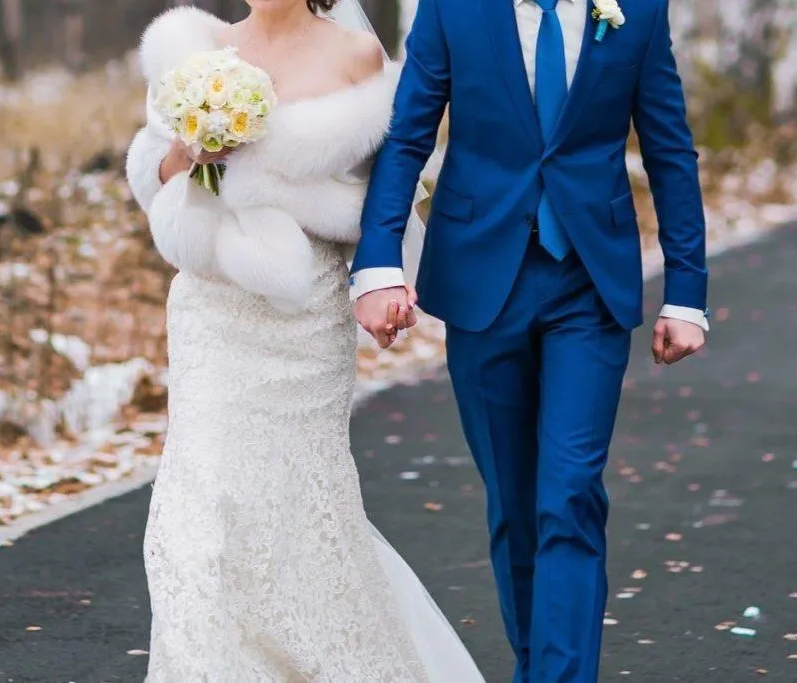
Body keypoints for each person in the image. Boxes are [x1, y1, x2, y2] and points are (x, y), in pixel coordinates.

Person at [125, 2, 484, 681]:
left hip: (303, 316)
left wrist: (382, 281)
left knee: (297, 507)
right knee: (195, 515)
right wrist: (194, 149)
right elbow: (158, 178)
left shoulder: (358, 57)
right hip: (212, 309)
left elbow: (388, 191)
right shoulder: (196, 49)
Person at [352, 0, 710, 681]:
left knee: (570, 494)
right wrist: (377, 266)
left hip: (590, 283)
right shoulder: (451, 9)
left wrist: (686, 292)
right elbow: (407, 136)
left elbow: (669, 148)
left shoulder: (637, 9)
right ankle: (537, 667)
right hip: (482, 280)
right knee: (515, 503)